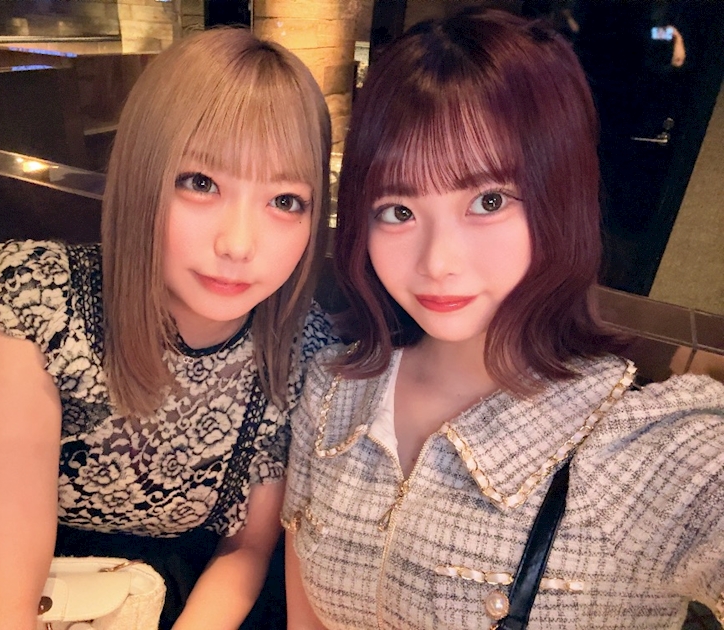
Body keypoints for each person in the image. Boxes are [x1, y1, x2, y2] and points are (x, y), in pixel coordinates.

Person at [283, 7, 724, 629]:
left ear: (558, 196)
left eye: (487, 201)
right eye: (398, 210)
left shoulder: (643, 450)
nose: (438, 263)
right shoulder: (331, 391)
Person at [0, 27, 334, 630]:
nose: (239, 245)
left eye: (285, 200)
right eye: (201, 183)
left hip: (191, 597)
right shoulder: (42, 303)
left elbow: (247, 548)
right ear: (141, 177)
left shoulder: (303, 349)